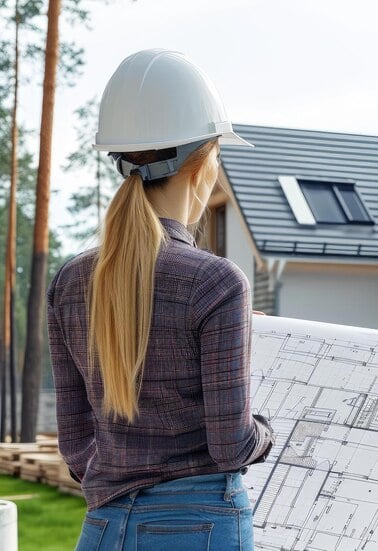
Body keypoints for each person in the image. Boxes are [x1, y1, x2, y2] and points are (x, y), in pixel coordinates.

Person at [47, 49, 273, 551]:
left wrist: (120, 481)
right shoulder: (216, 282)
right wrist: (270, 430)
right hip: (200, 525)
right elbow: (231, 444)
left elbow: (74, 444)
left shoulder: (69, 280)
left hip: (103, 527)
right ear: (201, 167)